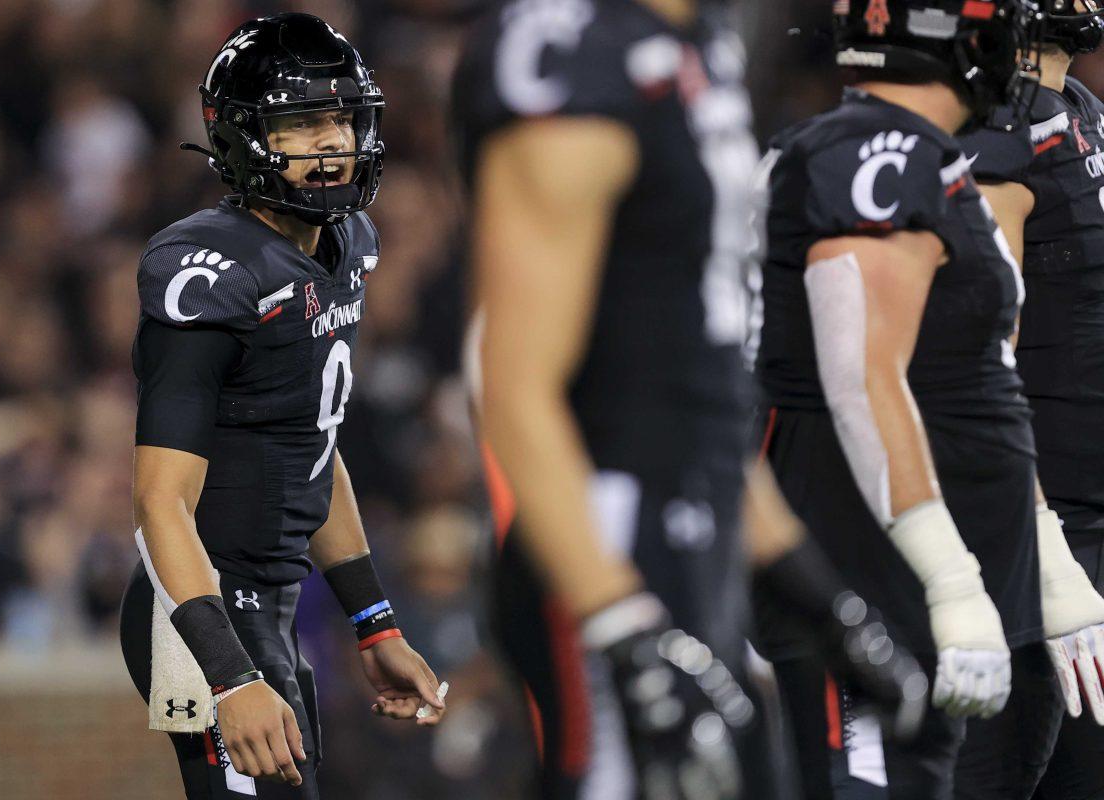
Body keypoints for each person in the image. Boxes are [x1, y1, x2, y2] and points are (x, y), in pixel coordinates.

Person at [454, 0, 925, 797]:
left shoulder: (692, 44)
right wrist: (620, 627)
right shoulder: (575, 57)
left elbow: (687, 388)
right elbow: (512, 385)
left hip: (692, 533)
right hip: (602, 541)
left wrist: (819, 596)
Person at [752, 0, 1092, 797]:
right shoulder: (878, 155)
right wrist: (950, 576)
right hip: (869, 563)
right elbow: (863, 378)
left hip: (902, 559)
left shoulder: (912, 153)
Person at [117, 14, 446, 799]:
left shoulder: (347, 242)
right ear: (242, 135)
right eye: (302, 122)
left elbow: (314, 448)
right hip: (202, 610)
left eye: (340, 116)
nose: (331, 139)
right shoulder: (209, 270)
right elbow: (160, 502)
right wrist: (228, 677)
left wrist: (376, 623)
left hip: (273, 605)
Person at [959, 3, 1104, 797]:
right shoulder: (996, 137)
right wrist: (1048, 556)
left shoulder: (1078, 107)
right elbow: (979, 366)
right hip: (1042, 542)